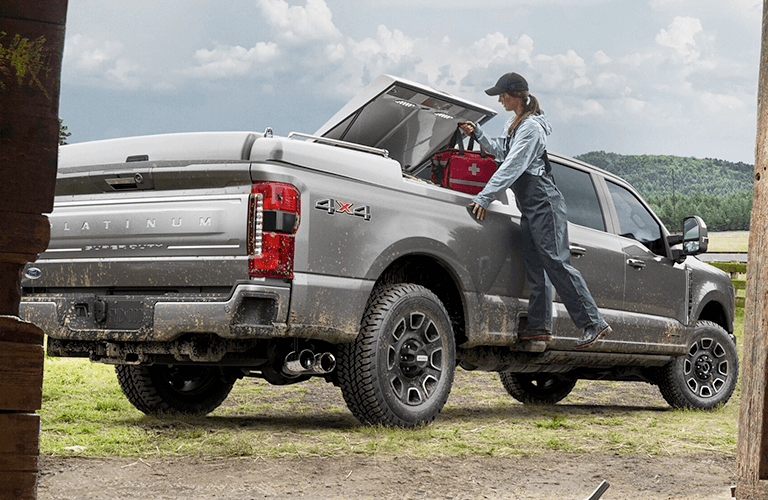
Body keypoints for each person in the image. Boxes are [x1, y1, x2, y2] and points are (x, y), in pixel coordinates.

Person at [460, 72, 610, 350]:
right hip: (529, 204)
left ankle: (593, 322)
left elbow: (513, 166)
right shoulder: (514, 123)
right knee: (535, 264)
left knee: (555, 261)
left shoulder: (531, 128)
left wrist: (484, 197)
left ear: (516, 95)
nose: (500, 99)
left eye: (502, 95)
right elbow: (500, 152)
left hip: (544, 201)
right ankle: (539, 327)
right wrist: (478, 134)